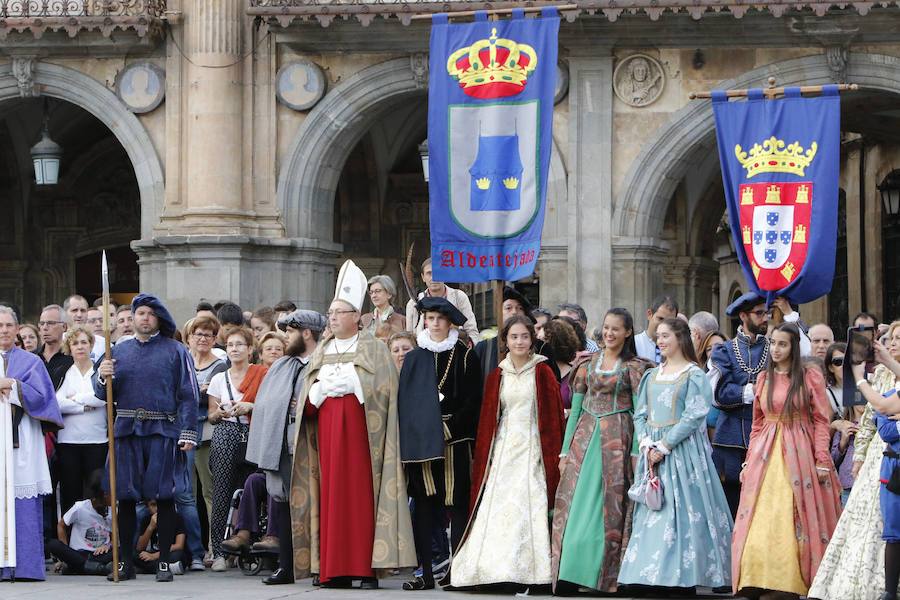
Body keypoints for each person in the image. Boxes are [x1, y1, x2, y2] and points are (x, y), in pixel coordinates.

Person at [291, 260, 415, 588]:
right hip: (329, 435)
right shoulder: (323, 349)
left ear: (354, 318)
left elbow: (387, 389)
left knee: (360, 499)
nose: (331, 317)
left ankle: (365, 568)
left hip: (363, 438)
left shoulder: (374, 348)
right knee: (330, 498)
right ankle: (332, 569)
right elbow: (307, 391)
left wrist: (356, 385)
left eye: (338, 312)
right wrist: (319, 391)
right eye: (330, 312)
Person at [618, 318, 733, 592]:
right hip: (652, 451)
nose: (660, 341)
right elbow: (641, 413)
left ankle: (682, 577)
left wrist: (666, 445)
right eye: (658, 336)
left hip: (682, 452)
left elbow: (695, 413)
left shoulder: (693, 375)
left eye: (665, 335)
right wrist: (647, 442)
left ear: (680, 338)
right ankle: (650, 574)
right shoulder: (651, 375)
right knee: (655, 509)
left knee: (682, 510)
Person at [450, 315, 564, 589]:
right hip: (504, 448)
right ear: (506, 341)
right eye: (514, 337)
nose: (520, 341)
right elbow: (490, 418)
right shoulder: (497, 375)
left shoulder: (543, 371)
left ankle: (530, 572)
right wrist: (487, 455)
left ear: (532, 339)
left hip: (534, 445)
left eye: (524, 336)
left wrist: (552, 454)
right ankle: (492, 569)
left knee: (529, 503)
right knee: (497, 506)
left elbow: (554, 417)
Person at [731, 323, 841, 598]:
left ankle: (788, 580)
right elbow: (757, 423)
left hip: (799, 448)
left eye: (783, 344)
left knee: (791, 514)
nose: (777, 349)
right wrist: (749, 461)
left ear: (793, 347)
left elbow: (821, 420)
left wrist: (822, 458)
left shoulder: (809, 376)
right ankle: (755, 577)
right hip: (765, 452)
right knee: (759, 515)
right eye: (774, 343)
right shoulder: (764, 378)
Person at [94, 294, 199, 582]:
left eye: (151, 314)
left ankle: (164, 561)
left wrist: (188, 431)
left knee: (165, 497)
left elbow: (189, 394)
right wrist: (103, 376)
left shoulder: (176, 350)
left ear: (159, 319)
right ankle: (126, 562)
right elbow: (101, 393)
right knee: (125, 499)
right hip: (126, 430)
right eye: (140, 313)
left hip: (163, 432)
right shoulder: (117, 350)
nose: (144, 318)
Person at [551, 308, 653, 594]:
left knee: (610, 505)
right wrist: (564, 451)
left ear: (628, 332)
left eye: (616, 329)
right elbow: (575, 411)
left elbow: (639, 411)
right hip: (585, 437)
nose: (609, 333)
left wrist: (635, 450)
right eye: (606, 328)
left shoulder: (635, 367)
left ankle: (603, 574)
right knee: (576, 502)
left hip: (617, 439)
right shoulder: (588, 364)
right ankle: (571, 571)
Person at [810, 322, 900, 600]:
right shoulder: (884, 373)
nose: (894, 343)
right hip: (879, 454)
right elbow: (870, 418)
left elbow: (882, 406)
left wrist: (860, 379)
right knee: (868, 521)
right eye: (892, 338)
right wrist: (859, 455)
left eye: (899, 339)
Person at [398, 296, 483, 591]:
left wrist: (450, 426)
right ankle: (425, 573)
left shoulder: (464, 355)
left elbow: (474, 401)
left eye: (439, 319)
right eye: (429, 319)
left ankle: (458, 571)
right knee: (422, 505)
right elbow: (405, 401)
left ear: (450, 323)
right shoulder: (414, 357)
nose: (434, 324)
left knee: (457, 503)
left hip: (454, 439)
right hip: (422, 444)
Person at [246, 308, 327, 586]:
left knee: (315, 504)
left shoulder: (324, 362)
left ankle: (319, 566)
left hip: (310, 444)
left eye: (291, 331)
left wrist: (303, 405)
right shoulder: (283, 365)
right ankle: (286, 566)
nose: (285, 337)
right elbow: (268, 402)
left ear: (306, 333)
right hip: (281, 444)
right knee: (281, 502)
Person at [0, 305, 64, 581]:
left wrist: (12, 385)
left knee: (23, 501)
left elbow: (43, 399)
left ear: (17, 329)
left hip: (22, 443)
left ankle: (25, 566)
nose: (3, 331)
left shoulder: (30, 362)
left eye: (7, 326)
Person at [206, 326, 266, 571]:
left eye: (240, 344)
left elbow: (269, 405)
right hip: (225, 433)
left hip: (254, 433)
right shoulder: (220, 378)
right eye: (230, 345)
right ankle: (219, 550)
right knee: (221, 491)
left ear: (250, 349)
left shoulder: (262, 374)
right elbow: (210, 415)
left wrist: (250, 406)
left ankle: (249, 543)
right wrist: (219, 413)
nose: (234, 349)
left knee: (251, 489)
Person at [707, 292, 770, 516]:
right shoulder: (723, 351)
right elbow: (717, 395)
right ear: (743, 316)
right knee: (730, 508)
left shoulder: (775, 348)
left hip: (765, 439)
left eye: (767, 313)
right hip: (730, 443)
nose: (765, 318)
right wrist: (753, 390)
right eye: (759, 313)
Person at [185, 315, 226, 567]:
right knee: (186, 494)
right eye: (197, 334)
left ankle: (215, 547)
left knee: (210, 491)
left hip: (208, 431)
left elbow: (216, 399)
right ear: (188, 337)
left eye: (208, 335)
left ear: (214, 339)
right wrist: (197, 392)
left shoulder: (220, 365)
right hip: (184, 430)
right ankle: (191, 549)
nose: (202, 338)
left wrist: (194, 394)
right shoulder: (183, 361)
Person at [55, 326, 108, 516]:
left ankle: (97, 538)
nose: (80, 346)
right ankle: (70, 538)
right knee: (70, 492)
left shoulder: (99, 371)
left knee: (95, 492)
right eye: (75, 342)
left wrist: (75, 397)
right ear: (69, 346)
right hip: (68, 442)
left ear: (91, 345)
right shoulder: (64, 371)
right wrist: (84, 406)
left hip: (97, 440)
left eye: (84, 342)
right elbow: (57, 403)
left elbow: (101, 398)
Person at [474, 287, 560, 386]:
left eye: (519, 308)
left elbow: (553, 387)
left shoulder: (541, 348)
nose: (514, 312)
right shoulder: (483, 348)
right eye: (508, 308)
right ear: (498, 312)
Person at [46, 471, 112, 576]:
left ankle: (79, 567)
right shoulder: (80, 507)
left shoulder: (114, 510)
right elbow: (61, 525)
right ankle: (96, 568)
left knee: (125, 551)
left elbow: (114, 536)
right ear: (104, 494)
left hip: (100, 555)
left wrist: (108, 546)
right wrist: (65, 551)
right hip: (80, 553)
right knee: (53, 544)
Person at [405, 258, 479, 343]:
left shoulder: (459, 297)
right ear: (423, 277)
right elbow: (409, 338)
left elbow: (472, 332)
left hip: (455, 353)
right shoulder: (413, 303)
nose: (434, 278)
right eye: (429, 273)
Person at [134, 499, 187, 575]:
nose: (158, 508)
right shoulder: (147, 519)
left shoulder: (177, 518)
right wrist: (150, 527)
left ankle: (146, 568)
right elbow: (140, 547)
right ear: (148, 507)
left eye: (161, 505)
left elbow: (179, 546)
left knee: (179, 556)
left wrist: (154, 556)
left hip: (169, 553)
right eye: (153, 505)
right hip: (154, 553)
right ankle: (167, 568)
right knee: (133, 554)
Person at [543, 318, 587, 411]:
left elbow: (582, 410)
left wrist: (563, 413)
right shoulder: (535, 372)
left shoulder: (575, 375)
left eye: (542, 342)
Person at [634, 294, 679, 363]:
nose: (664, 326)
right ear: (649, 314)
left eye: (669, 321)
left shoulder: (678, 348)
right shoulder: (634, 343)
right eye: (660, 319)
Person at [37, 304, 73, 390]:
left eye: (51, 323)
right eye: (42, 323)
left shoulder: (73, 358)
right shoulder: (32, 357)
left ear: (64, 327)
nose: (45, 327)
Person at [64, 295, 105, 361]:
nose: (79, 315)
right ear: (65, 314)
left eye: (83, 310)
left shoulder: (103, 344)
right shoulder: (58, 342)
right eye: (74, 310)